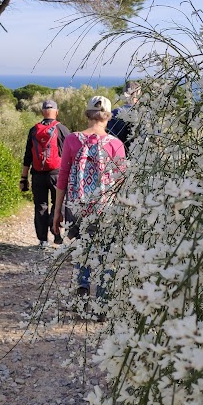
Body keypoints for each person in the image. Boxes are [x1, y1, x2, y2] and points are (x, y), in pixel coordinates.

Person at [52, 96, 126, 297]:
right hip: (106, 207)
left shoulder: (72, 139)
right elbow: (121, 182)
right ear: (108, 117)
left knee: (81, 249)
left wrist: (57, 212)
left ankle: (82, 288)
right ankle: (102, 300)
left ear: (87, 114)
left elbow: (63, 178)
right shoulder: (116, 144)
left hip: (77, 206)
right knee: (106, 253)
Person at [21, 99, 71, 247]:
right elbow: (69, 154)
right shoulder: (62, 129)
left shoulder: (34, 130)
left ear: (43, 112)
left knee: (40, 205)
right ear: (56, 112)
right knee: (58, 204)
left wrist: (23, 178)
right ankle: (56, 231)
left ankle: (43, 240)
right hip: (57, 174)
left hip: (37, 174)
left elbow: (27, 156)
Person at [106, 81, 142, 152]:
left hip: (117, 155)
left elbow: (109, 138)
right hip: (140, 156)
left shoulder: (114, 113)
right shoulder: (143, 114)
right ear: (138, 94)